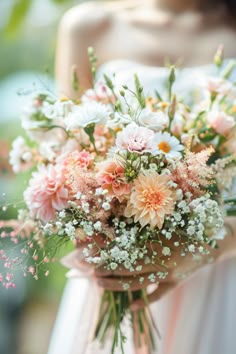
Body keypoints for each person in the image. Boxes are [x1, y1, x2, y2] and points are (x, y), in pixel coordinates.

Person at [48, 1, 236, 353]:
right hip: (118, 275)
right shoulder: (88, 25)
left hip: (224, 276)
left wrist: (205, 248)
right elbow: (67, 161)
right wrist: (100, 221)